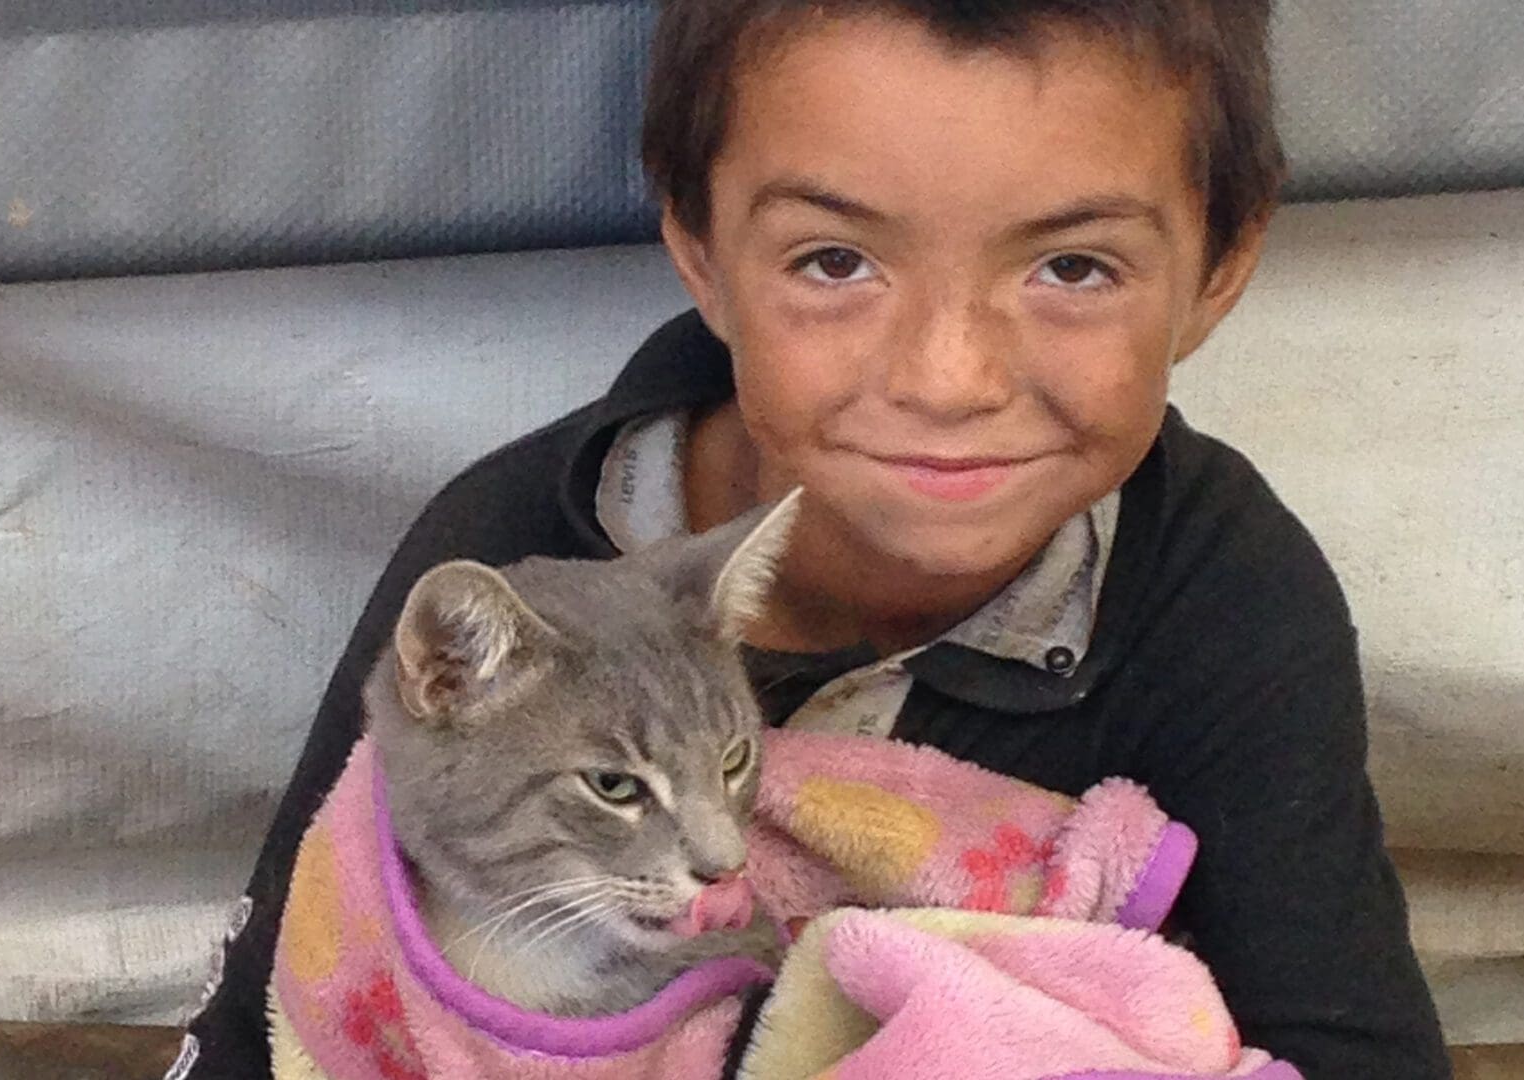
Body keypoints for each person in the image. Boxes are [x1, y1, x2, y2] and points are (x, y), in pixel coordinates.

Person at [178, 1, 1450, 1076]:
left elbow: (1347, 1049)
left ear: (1221, 261)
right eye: (835, 260)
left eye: (1069, 267)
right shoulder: (517, 556)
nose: (948, 378)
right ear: (696, 241)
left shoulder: (1217, 587)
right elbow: (279, 1015)